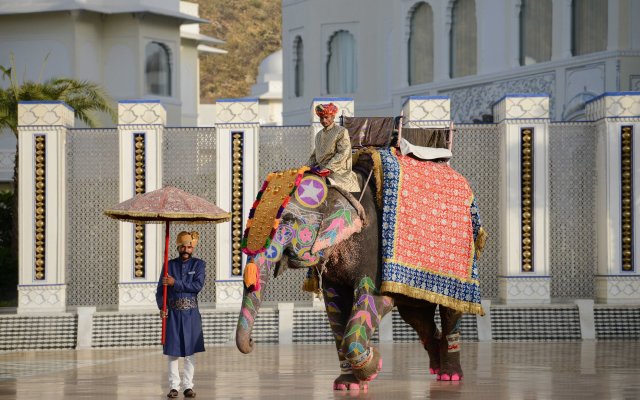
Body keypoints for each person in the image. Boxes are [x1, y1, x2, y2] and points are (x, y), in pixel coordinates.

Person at [156, 231, 205, 398]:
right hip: (173, 314)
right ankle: (173, 387)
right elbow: (160, 291)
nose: (186, 249)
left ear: (193, 248)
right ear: (178, 247)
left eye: (189, 246)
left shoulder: (199, 265)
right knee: (173, 351)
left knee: (190, 352)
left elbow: (197, 286)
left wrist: (174, 282)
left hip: (191, 314)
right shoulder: (168, 265)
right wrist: (161, 307)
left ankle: (188, 386)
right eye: (183, 246)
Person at [307, 103, 360, 193]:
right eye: (321, 118)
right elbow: (315, 156)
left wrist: (329, 168)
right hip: (320, 170)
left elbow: (343, 152)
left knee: (332, 188)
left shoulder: (341, 131)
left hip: (337, 171)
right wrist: (304, 168)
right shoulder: (319, 135)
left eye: (326, 117)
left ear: (333, 117)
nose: (323, 120)